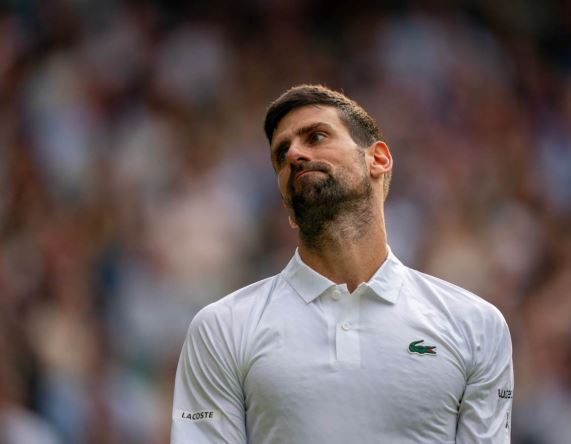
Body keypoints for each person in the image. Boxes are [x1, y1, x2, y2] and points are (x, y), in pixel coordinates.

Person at [170, 85, 514, 443]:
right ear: (286, 204)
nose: (294, 154)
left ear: (378, 159)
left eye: (316, 137)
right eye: (281, 153)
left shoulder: (476, 326)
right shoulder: (221, 329)